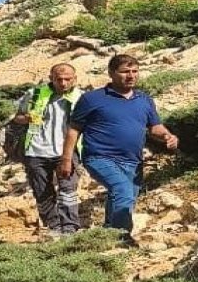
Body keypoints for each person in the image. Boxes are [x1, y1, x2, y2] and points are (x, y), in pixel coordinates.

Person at [60, 54, 178, 244]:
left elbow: (154, 126)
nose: (131, 76)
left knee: (124, 196)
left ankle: (107, 233)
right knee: (122, 189)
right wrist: (66, 160)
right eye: (124, 72)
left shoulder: (144, 100)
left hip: (133, 160)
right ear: (111, 73)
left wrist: (167, 136)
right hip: (99, 157)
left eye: (134, 71)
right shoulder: (91, 99)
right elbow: (73, 130)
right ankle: (122, 238)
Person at [11, 63, 84, 238]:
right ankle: (53, 227)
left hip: (66, 151)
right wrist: (26, 118)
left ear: (75, 79)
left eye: (68, 79)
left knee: (68, 190)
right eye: (59, 79)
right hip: (36, 151)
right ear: (51, 78)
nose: (64, 83)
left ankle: (70, 228)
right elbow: (15, 117)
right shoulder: (35, 94)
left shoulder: (81, 98)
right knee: (42, 191)